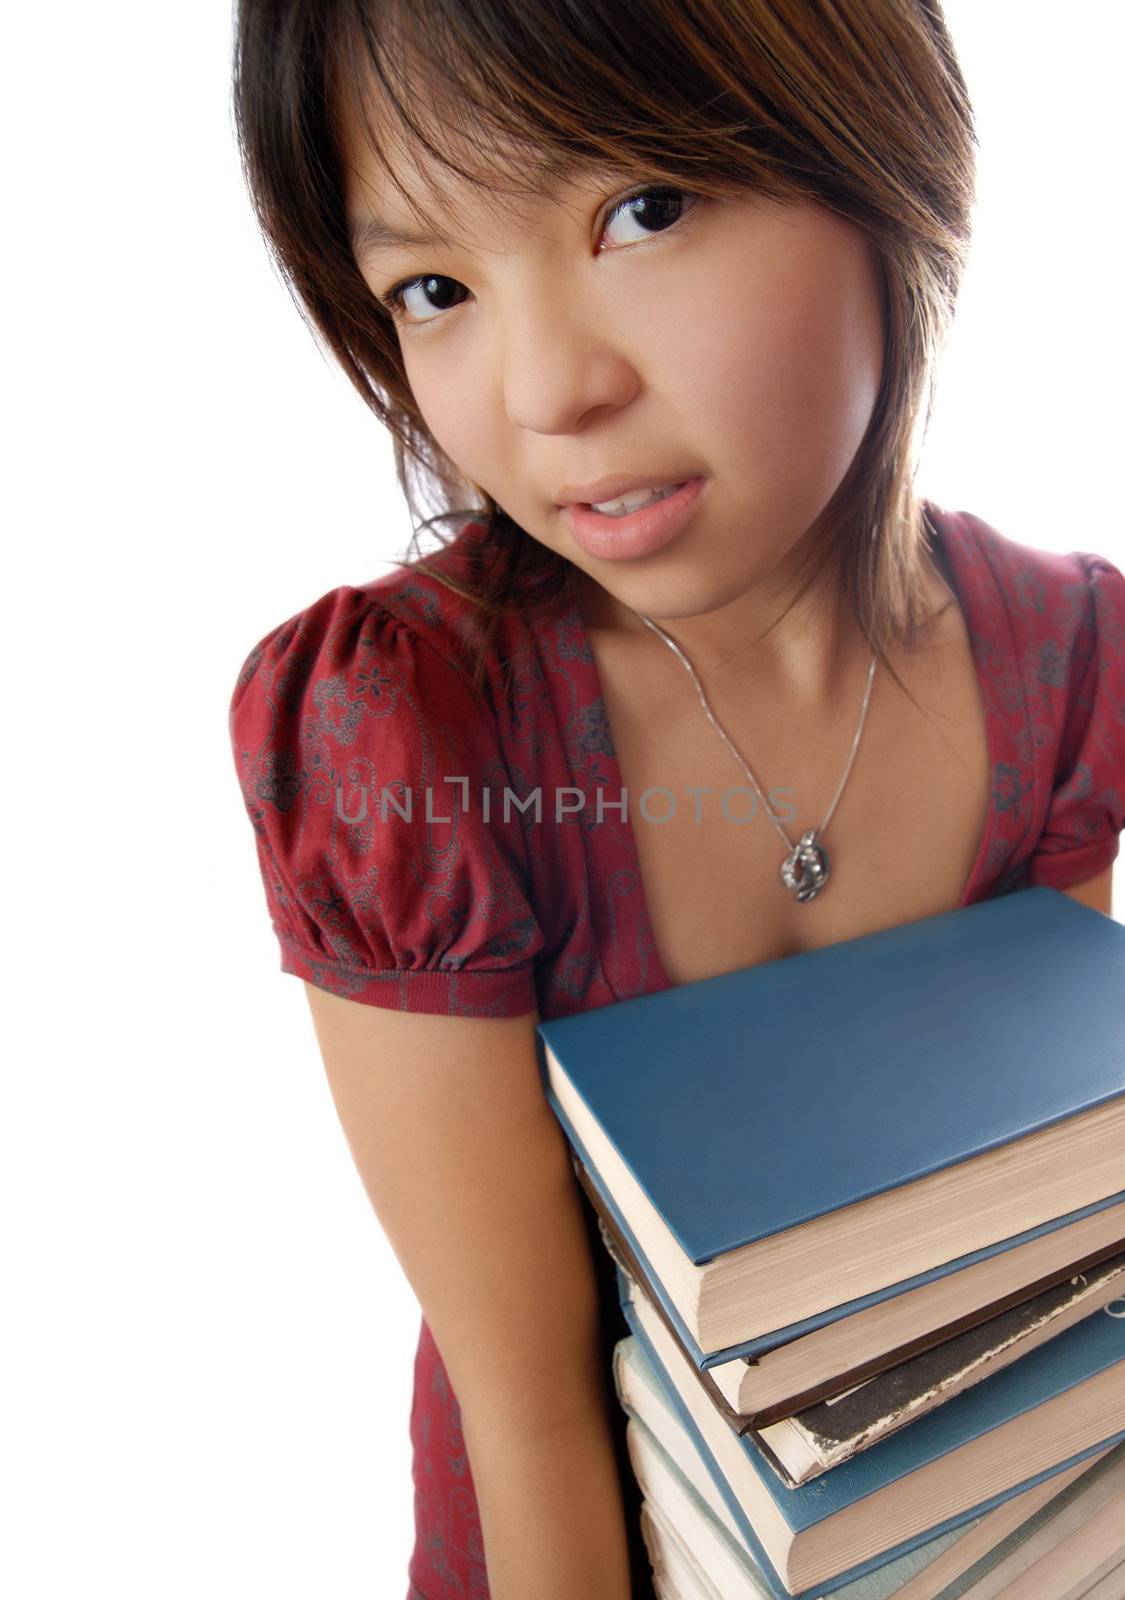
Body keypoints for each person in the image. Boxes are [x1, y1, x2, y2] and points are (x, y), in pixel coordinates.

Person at [226, 3, 1125, 1596]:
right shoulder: (405, 727)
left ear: (880, 162)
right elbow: (532, 1420)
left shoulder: (1065, 656)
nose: (548, 389)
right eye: (433, 289)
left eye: (642, 210)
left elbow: (1032, 1251)